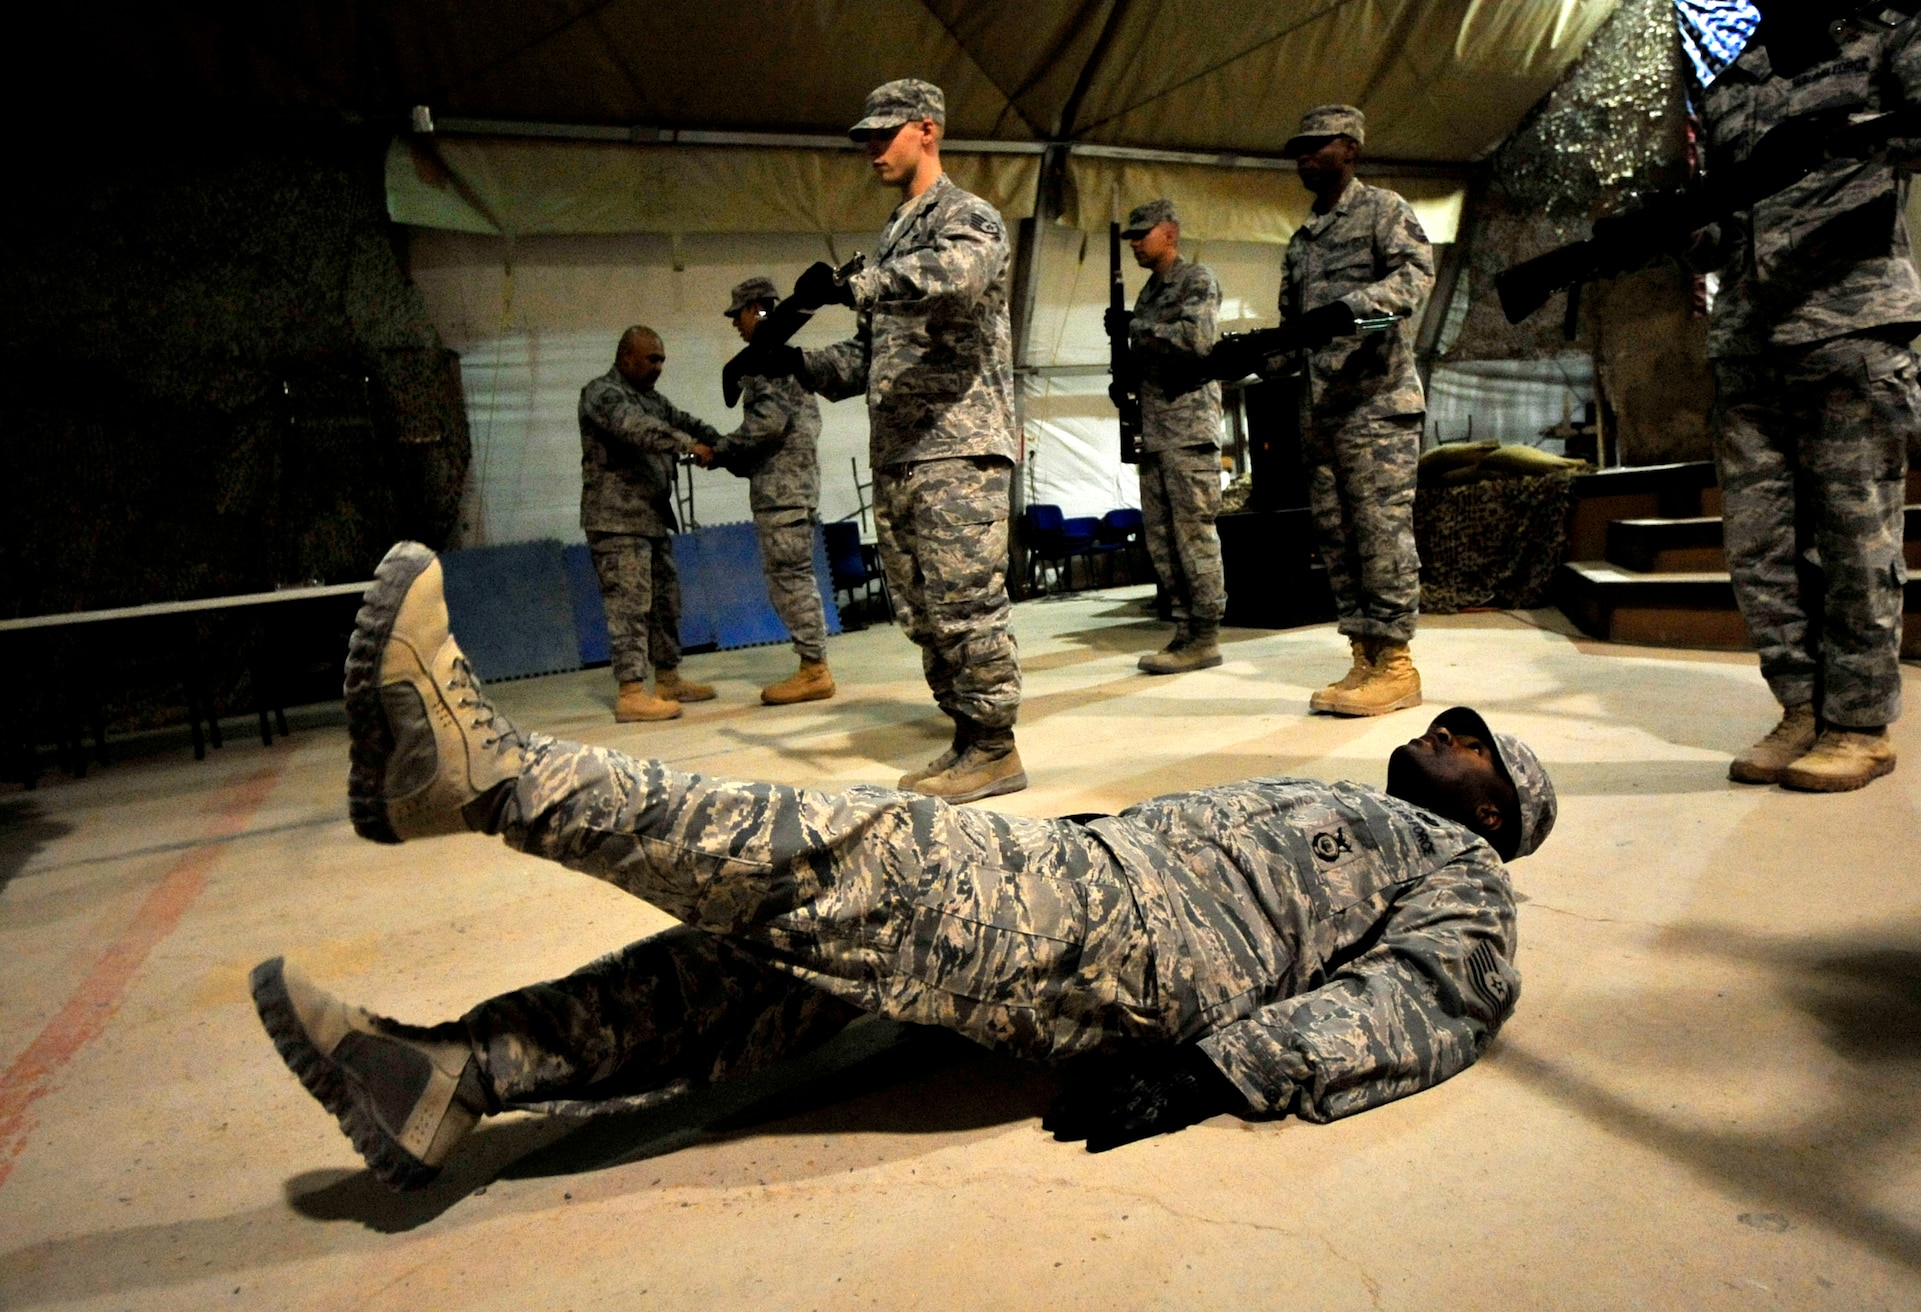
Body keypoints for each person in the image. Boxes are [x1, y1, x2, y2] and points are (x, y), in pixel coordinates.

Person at [252, 540, 1554, 1189]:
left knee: (850, 851)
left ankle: (490, 778)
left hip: (1114, 936)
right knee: (753, 967)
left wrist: (1230, 1067)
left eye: (1476, 749)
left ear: (1499, 821)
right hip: (1079, 885)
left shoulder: (1462, 880)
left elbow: (1426, 1006)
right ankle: (452, 1076)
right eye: (1452, 720)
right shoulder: (1342, 802)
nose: (1448, 733)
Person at [1693, 0, 1921, 792]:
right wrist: (1690, 231)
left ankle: (1859, 724)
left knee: (1857, 540)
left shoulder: (1894, 33)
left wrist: (1864, 137)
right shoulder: (1734, 83)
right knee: (1757, 550)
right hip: (1749, 341)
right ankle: (1800, 706)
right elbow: (1727, 220)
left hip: (1850, 324)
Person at [743, 79, 1025, 804]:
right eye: (865, 136)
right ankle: (966, 734)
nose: (871, 147)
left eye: (884, 132)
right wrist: (798, 363)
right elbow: (870, 358)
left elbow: (954, 282)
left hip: (958, 445)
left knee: (965, 602)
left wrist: (855, 285)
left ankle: (996, 746)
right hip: (900, 449)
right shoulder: (894, 235)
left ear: (926, 130)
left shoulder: (968, 218)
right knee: (921, 612)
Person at [1280, 105, 1437, 719]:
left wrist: (1349, 310)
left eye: (1315, 145)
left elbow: (1413, 282)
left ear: (1349, 148)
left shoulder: (1383, 211)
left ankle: (1397, 663)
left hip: (1376, 405)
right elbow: (1293, 331)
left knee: (1380, 533)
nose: (1303, 158)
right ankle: (1364, 654)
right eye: (1298, 148)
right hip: (1322, 412)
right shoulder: (1301, 242)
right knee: (1339, 538)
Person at [577, 326, 725, 723]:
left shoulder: (652, 400)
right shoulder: (602, 394)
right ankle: (630, 693)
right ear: (626, 357)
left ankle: (668, 678)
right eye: (651, 359)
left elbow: (685, 421)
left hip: (651, 519)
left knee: (664, 602)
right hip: (617, 521)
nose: (659, 367)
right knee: (629, 606)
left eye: (661, 359)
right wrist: (688, 446)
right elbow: (638, 428)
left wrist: (725, 445)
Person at [707, 277, 837, 706]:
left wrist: (722, 451)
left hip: (782, 490)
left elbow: (766, 425)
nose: (736, 326)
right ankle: (812, 664)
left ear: (756, 309)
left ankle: (814, 669)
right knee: (792, 575)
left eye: (738, 315)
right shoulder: (784, 358)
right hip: (792, 484)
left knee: (789, 577)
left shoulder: (765, 359)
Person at [1115, 199, 1230, 675]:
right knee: (1162, 540)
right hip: (1156, 430)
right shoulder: (1148, 292)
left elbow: (1197, 340)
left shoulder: (1195, 281)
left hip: (1188, 430)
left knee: (1193, 537)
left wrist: (1135, 329)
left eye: (1144, 233)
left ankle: (1205, 634)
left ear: (1171, 233)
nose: (1136, 243)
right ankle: (1184, 629)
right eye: (1132, 236)